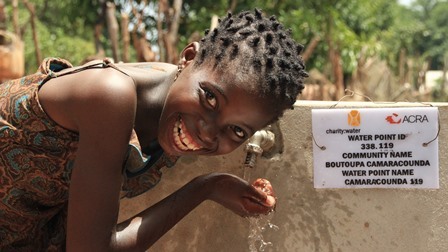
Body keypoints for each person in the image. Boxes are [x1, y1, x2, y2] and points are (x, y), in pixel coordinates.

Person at [0, 8, 308, 251]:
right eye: (210, 98)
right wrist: (205, 188)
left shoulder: (171, 105)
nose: (208, 132)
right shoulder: (110, 96)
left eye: (237, 131)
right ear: (188, 57)